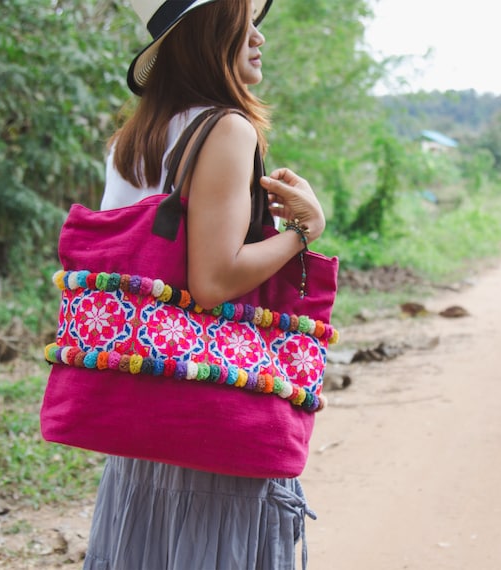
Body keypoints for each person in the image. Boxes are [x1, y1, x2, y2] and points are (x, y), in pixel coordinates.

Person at [83, 1, 327, 568]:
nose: (259, 38)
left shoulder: (133, 136)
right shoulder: (226, 128)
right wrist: (302, 230)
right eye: (245, 24)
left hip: (143, 407)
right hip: (210, 410)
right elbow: (213, 282)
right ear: (210, 32)